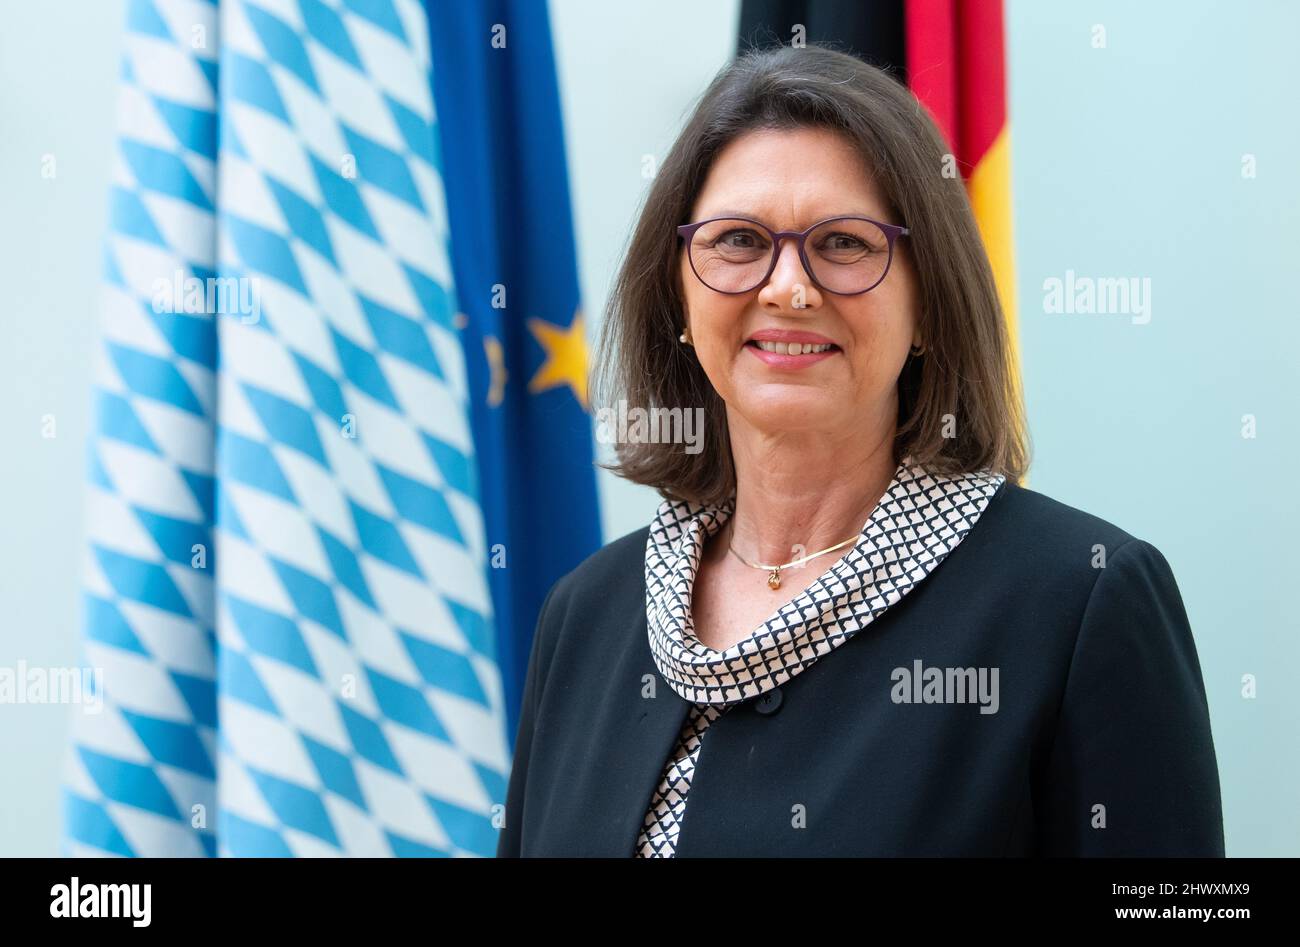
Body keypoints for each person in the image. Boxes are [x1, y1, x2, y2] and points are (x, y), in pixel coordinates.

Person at [497, 43, 1224, 857]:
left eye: (844, 243)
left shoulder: (1081, 602)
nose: (787, 287)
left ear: (928, 294)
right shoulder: (586, 614)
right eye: (738, 240)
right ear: (679, 287)